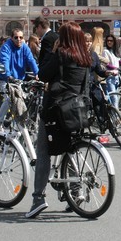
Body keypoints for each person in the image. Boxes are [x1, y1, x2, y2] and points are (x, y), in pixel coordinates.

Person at [26, 22, 93, 218]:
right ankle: (75, 193)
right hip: (78, 109)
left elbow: (43, 73)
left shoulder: (62, 54)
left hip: (56, 109)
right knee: (69, 149)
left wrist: (53, 53)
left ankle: (38, 198)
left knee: (44, 152)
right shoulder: (85, 57)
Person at [0, 28, 39, 122]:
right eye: (16, 37)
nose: (19, 39)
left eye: (21, 37)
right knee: (9, 100)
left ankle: (15, 126)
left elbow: (31, 60)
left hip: (18, 80)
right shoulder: (6, 47)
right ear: (11, 38)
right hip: (6, 79)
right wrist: (8, 76)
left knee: (20, 102)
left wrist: (37, 73)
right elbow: (4, 62)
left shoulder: (24, 47)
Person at [102, 35, 121, 107]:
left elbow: (118, 61)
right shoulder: (105, 51)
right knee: (114, 98)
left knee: (116, 97)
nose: (109, 42)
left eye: (111, 41)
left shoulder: (114, 51)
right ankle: (116, 117)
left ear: (114, 42)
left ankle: (114, 115)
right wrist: (116, 68)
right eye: (108, 41)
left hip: (116, 77)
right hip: (110, 77)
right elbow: (107, 64)